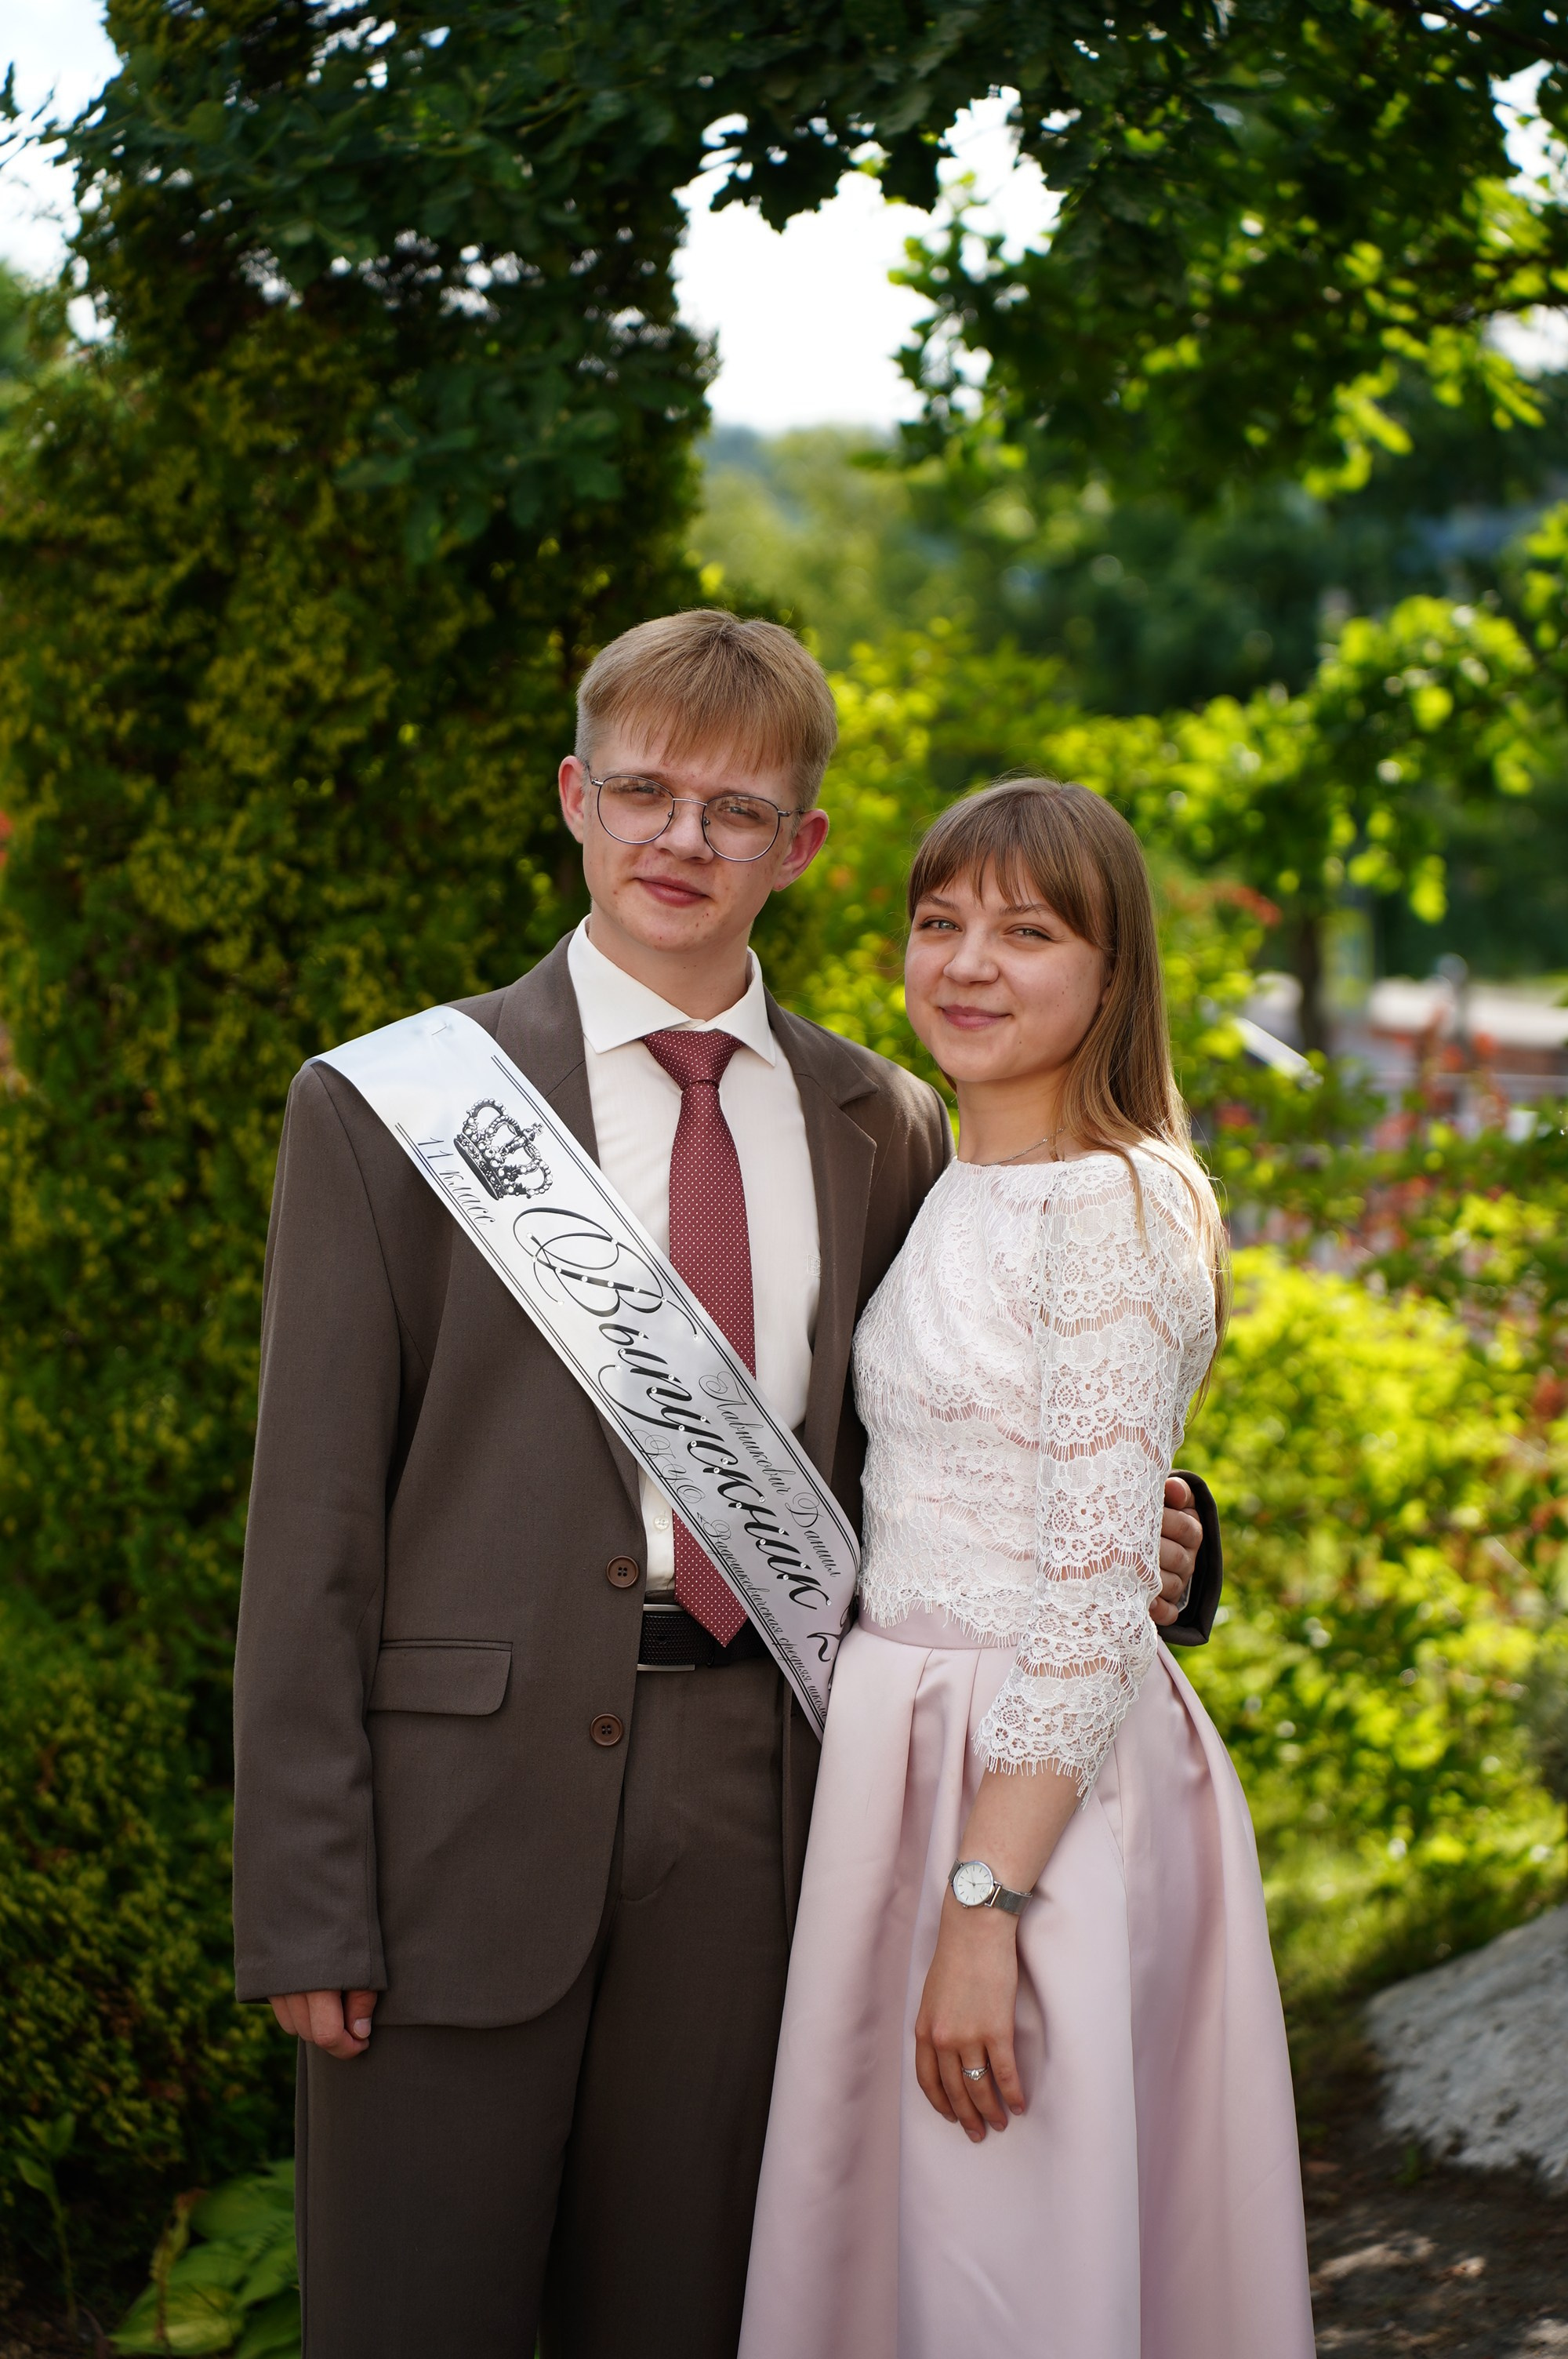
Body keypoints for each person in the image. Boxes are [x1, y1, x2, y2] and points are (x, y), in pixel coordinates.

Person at [230, 616, 1211, 2359]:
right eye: (644, 793)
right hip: (452, 1831)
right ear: (574, 799)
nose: (682, 839)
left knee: (692, 2317)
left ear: (801, 844)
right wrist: (305, 1893)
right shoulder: (392, 1107)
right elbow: (311, 1532)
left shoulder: (885, 1119)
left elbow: (962, 1427)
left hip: (770, 1827)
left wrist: (1162, 1538)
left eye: (737, 810)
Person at [740, 780, 1315, 2359]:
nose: (968, 963)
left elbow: (1090, 1592)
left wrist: (986, 1905)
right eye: (939, 923)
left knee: (1009, 2250)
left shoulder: (1116, 1197)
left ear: (1112, 972)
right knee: (900, 2241)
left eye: (1027, 931)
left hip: (1033, 1780)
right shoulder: (948, 1176)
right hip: (902, 1745)